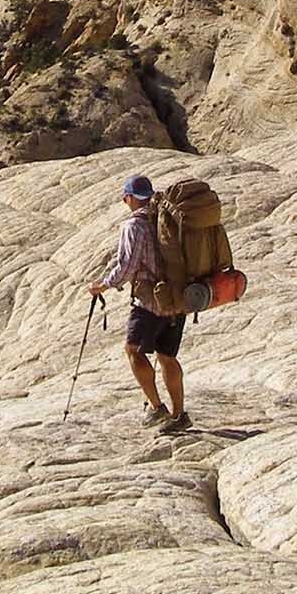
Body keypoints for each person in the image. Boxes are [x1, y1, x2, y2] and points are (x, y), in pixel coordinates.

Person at [88, 173, 190, 433]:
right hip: (178, 296)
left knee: (133, 350)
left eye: (126, 197)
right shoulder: (165, 218)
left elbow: (128, 266)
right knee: (167, 356)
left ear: (130, 198)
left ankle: (156, 408)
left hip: (150, 301)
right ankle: (179, 415)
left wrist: (103, 285)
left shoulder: (134, 226)